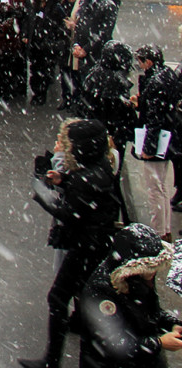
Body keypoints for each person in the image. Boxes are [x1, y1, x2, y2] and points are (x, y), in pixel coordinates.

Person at [20, 118, 122, 368]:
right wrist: (64, 182)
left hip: (86, 246)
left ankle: (54, 360)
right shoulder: (99, 168)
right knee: (82, 300)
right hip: (96, 244)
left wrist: (43, 195)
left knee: (58, 298)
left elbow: (68, 213)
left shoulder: (85, 177)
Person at [77, 223, 182, 367]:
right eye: (149, 268)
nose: (152, 273)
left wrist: (172, 324)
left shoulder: (137, 279)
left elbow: (149, 312)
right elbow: (114, 345)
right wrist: (159, 343)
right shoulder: (100, 291)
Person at [129, 43, 178, 238]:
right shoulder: (167, 75)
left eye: (140, 61)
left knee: (154, 188)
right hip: (167, 139)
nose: (139, 65)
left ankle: (159, 232)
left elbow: (155, 119)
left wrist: (148, 147)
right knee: (161, 187)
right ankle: (164, 229)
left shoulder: (156, 82)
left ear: (148, 61)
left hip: (157, 142)